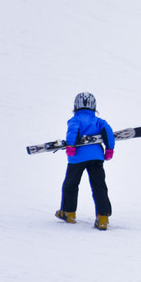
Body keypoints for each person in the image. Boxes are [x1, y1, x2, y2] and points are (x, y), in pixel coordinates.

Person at [54, 92, 115, 231]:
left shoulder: (75, 120)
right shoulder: (99, 121)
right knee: (99, 186)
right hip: (96, 157)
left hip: (77, 158)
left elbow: (72, 132)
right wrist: (109, 149)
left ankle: (68, 213)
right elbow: (108, 132)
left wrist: (70, 146)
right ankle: (103, 217)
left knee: (71, 184)